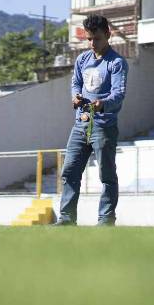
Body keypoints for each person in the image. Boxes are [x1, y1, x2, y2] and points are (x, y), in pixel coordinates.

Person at [54, 14, 128, 226]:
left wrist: (102, 103)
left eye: (96, 38)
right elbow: (76, 84)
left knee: (106, 175)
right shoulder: (82, 60)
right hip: (80, 124)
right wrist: (75, 96)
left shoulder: (117, 63)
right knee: (69, 171)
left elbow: (119, 94)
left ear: (108, 35)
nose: (92, 43)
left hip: (103, 126)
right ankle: (67, 219)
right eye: (88, 39)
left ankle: (106, 219)